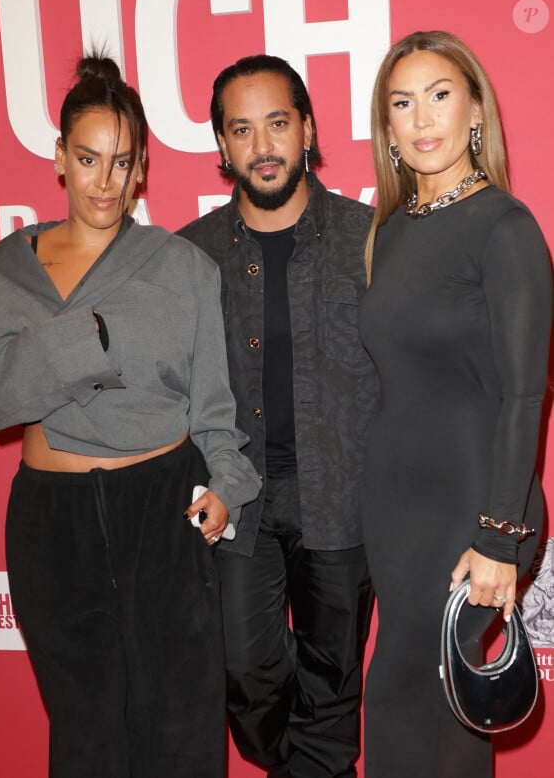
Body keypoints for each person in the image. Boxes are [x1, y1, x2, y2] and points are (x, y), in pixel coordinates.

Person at [0, 54, 261, 778]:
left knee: (181, 724)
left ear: (142, 170)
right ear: (59, 158)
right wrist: (94, 337)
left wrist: (225, 487)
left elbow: (214, 408)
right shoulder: (4, 270)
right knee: (86, 728)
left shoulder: (183, 267)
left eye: (122, 163)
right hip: (52, 521)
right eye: (88, 158)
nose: (105, 183)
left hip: (161, 509)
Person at [178, 54, 377, 778]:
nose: (262, 146)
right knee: (247, 674)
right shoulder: (190, 255)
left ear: (308, 129)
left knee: (333, 685)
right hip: (241, 501)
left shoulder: (370, 239)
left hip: (343, 499)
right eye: (242, 129)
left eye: (277, 124)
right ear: (222, 147)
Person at [359, 30, 552, 778]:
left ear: (474, 109)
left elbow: (523, 394)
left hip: (475, 516)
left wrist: (500, 537)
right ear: (388, 128)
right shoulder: (395, 229)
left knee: (435, 716)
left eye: (440, 94)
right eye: (402, 104)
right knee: (406, 708)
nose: (422, 118)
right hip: (399, 516)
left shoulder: (505, 229)